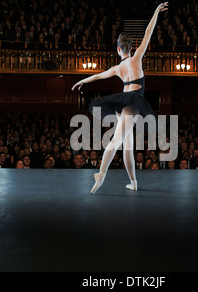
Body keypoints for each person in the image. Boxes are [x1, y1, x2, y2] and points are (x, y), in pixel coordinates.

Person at [72, 2, 169, 195]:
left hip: (121, 104)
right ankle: (101, 174)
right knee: (117, 142)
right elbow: (149, 33)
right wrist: (156, 12)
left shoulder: (117, 68)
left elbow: (97, 76)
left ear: (118, 49)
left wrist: (82, 80)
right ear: (131, 48)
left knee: (128, 145)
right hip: (131, 104)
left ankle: (133, 182)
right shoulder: (137, 58)